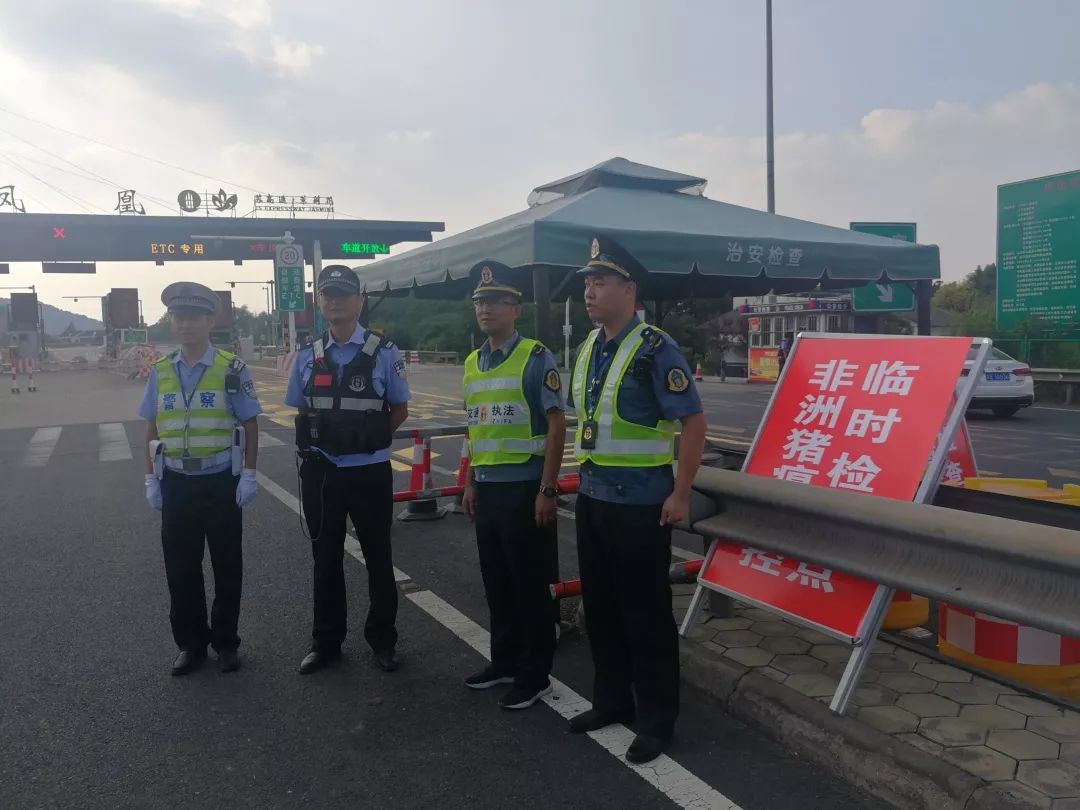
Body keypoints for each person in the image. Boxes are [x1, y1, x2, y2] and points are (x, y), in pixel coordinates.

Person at [566, 236, 707, 764]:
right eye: (586, 283)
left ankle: (656, 719)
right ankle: (611, 701)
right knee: (600, 609)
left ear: (629, 289)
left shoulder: (654, 347)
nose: (589, 292)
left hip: (642, 506)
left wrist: (682, 492)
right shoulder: (589, 345)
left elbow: (693, 422)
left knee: (645, 615)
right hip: (594, 498)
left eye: (600, 282)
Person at [285, 265, 410, 675]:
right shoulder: (307, 354)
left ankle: (383, 640)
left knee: (379, 557)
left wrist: (364, 441)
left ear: (360, 301)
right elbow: (300, 409)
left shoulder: (384, 352)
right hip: (322, 474)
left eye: (343, 293)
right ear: (320, 303)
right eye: (327, 294)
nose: (334, 300)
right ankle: (325, 642)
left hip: (370, 472)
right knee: (325, 559)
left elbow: (399, 409)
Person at [139, 282, 262, 676]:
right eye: (178, 317)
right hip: (176, 482)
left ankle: (226, 642)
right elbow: (152, 427)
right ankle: (191, 644)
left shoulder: (231, 368)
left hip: (219, 481)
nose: (186, 324)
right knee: (180, 568)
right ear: (171, 322)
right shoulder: (159, 372)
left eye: (194, 317)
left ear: (211, 320)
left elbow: (250, 421)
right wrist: (151, 478)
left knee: (228, 566)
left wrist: (249, 473)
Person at [460, 261, 567, 710]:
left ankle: (535, 673)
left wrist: (547, 489)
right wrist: (468, 480)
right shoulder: (472, 361)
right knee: (497, 583)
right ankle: (503, 662)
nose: (485, 309)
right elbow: (473, 427)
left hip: (526, 489)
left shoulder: (536, 357)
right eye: (480, 302)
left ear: (515, 308)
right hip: (487, 489)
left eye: (495, 301)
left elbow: (556, 423)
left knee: (529, 585)